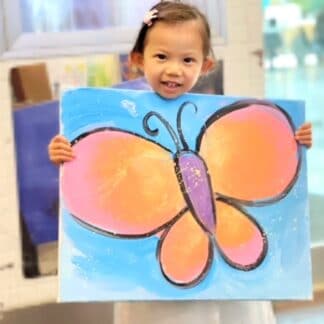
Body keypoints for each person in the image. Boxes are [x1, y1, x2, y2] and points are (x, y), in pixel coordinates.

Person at [48, 2, 312, 323]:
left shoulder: (225, 127)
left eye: (187, 59)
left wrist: (293, 140)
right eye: (161, 57)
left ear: (205, 65)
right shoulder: (116, 120)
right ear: (137, 60)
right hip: (159, 288)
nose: (174, 69)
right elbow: (94, 180)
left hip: (231, 290)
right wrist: (65, 152)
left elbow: (269, 156)